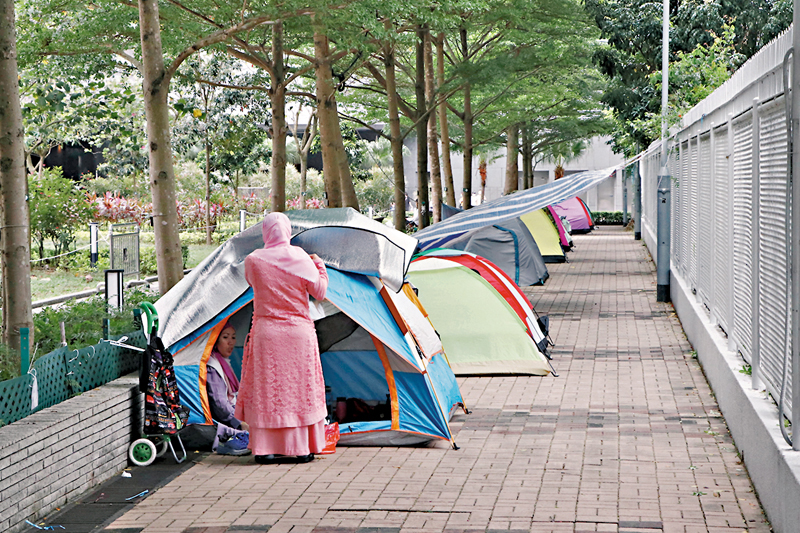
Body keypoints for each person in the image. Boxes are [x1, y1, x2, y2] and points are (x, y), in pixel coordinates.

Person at [235, 212, 329, 464]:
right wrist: (319, 266)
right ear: (288, 232)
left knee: (268, 391)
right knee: (300, 391)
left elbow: (252, 283)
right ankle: (302, 448)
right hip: (299, 334)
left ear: (265, 232)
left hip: (267, 334)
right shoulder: (301, 258)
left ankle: (265, 449)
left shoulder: (254, 260)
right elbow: (319, 292)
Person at [208, 322, 251, 456]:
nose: (230, 342)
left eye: (233, 337)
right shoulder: (213, 367)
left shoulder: (223, 361)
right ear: (216, 340)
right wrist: (239, 422)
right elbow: (220, 404)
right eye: (225, 337)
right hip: (225, 419)